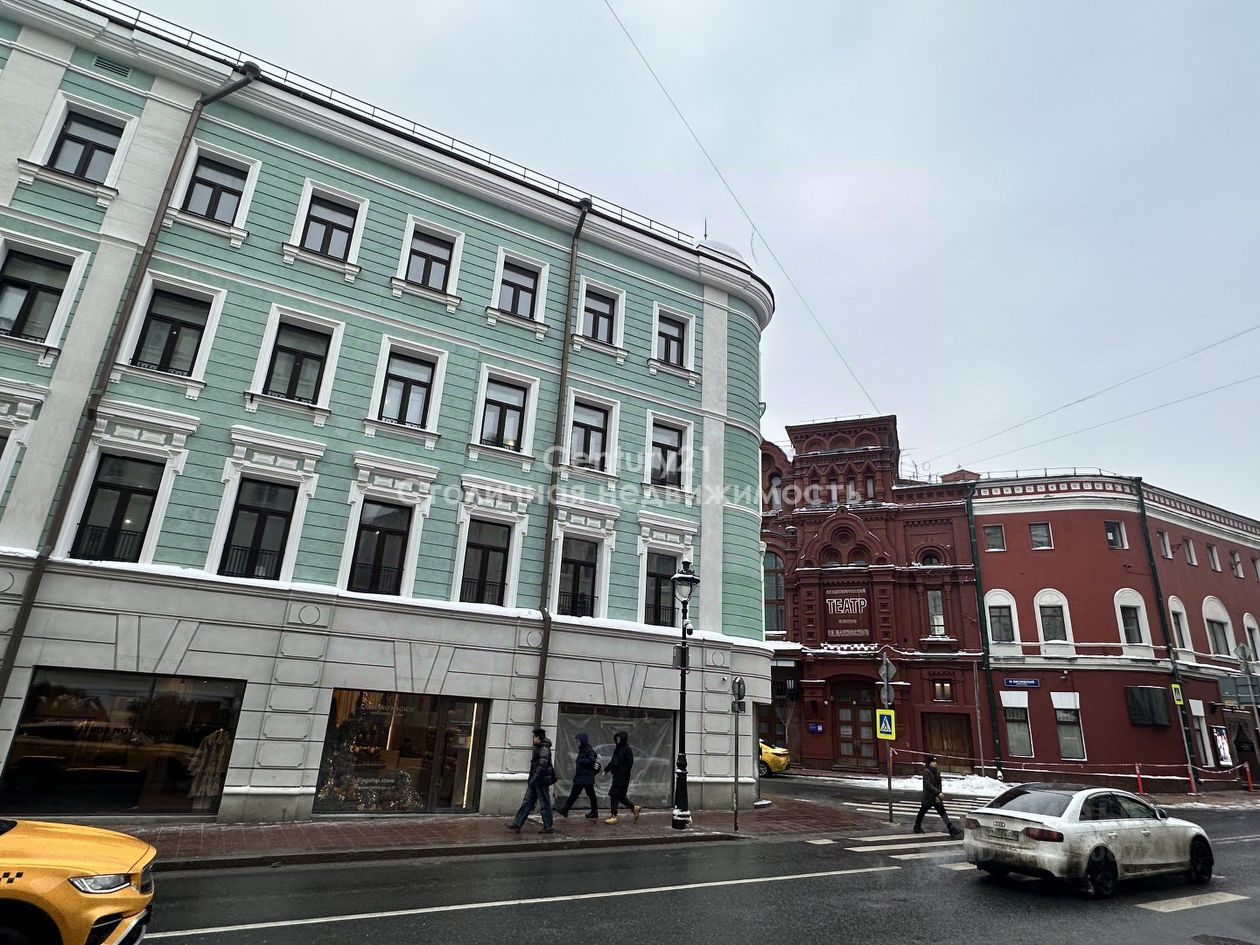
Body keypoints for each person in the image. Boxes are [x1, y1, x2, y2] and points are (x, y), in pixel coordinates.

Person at [507, 728, 556, 833]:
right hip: (536, 781)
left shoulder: (543, 749)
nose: (533, 739)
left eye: (534, 737)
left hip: (541, 782)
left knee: (544, 804)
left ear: (538, 737)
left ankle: (548, 826)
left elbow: (541, 766)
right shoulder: (540, 748)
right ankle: (517, 824)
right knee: (527, 802)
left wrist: (533, 779)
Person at [913, 754, 961, 836]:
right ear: (929, 763)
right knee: (922, 811)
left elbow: (939, 784)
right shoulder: (926, 771)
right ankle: (917, 826)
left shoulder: (936, 771)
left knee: (942, 812)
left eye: (935, 762)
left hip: (936, 797)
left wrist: (938, 794)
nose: (935, 763)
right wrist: (938, 793)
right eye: (933, 762)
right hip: (928, 797)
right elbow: (928, 785)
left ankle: (951, 828)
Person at [556, 732, 600, 818]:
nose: (577, 743)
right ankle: (566, 810)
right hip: (582, 777)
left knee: (587, 794)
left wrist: (581, 761)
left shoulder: (588, 749)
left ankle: (594, 812)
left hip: (585, 777)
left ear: (583, 741)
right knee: (578, 794)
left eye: (578, 741)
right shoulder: (583, 749)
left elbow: (591, 760)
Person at [604, 730, 640, 824]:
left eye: (619, 738)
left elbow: (629, 764)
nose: (617, 740)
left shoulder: (627, 750)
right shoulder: (617, 749)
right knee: (621, 797)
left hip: (623, 777)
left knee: (614, 795)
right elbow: (613, 762)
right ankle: (634, 808)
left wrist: (622, 772)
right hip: (616, 776)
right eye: (616, 738)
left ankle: (614, 816)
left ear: (623, 739)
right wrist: (606, 770)